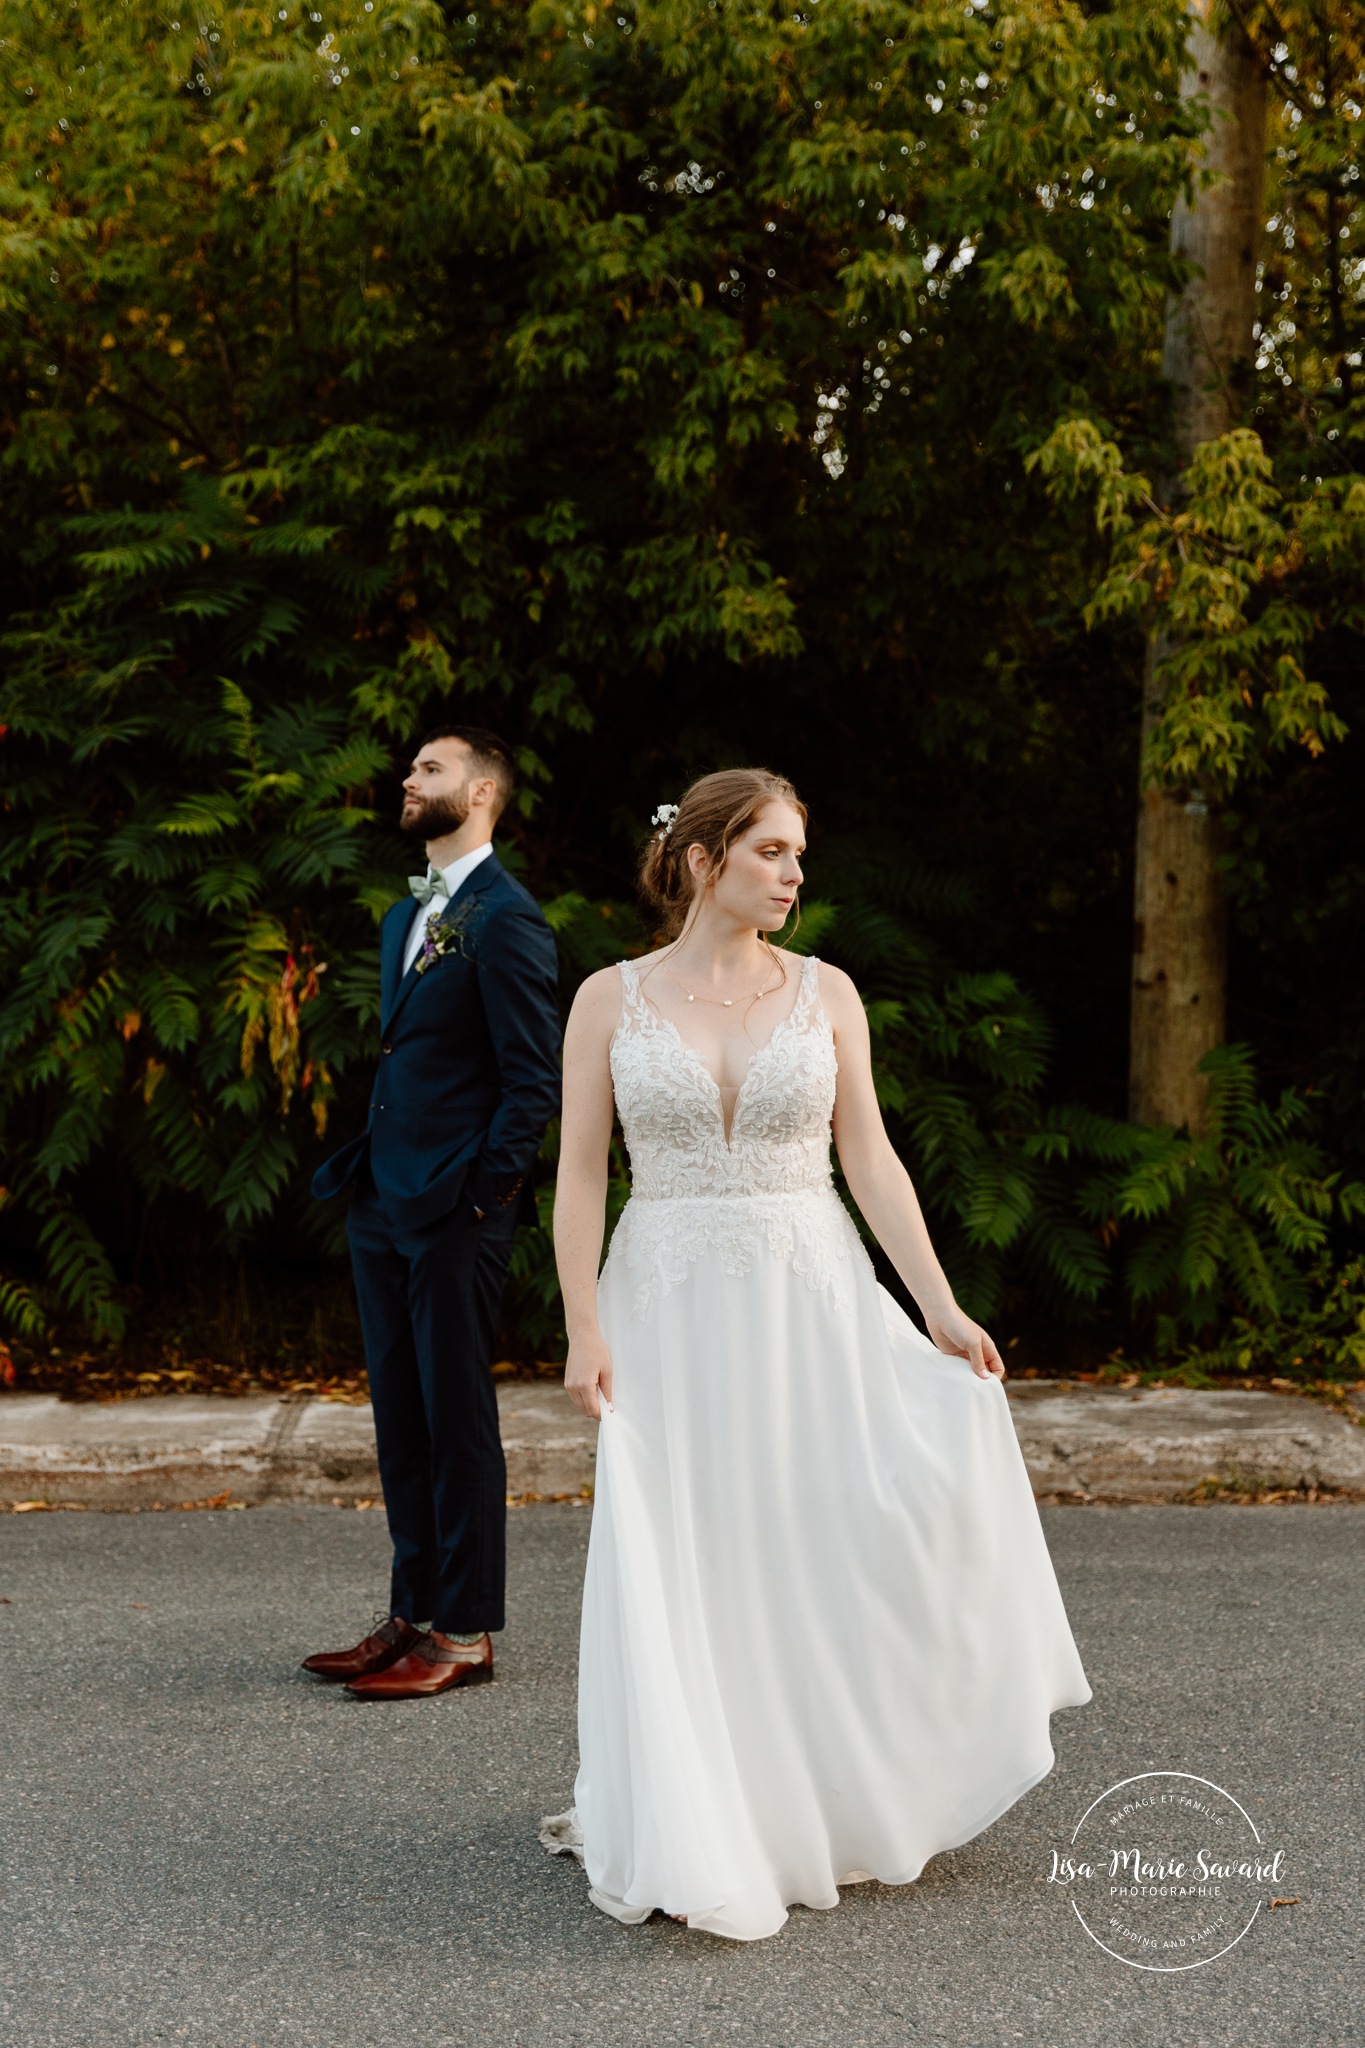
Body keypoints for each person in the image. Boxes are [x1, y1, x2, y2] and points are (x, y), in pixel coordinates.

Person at [540, 768, 1090, 1940]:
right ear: (704, 859)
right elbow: (580, 1170)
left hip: (811, 1292)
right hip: (668, 1300)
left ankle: (825, 1794)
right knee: (689, 1545)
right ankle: (701, 1808)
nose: (795, 874)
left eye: (799, 853)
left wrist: (938, 1303)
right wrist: (583, 1321)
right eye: (774, 852)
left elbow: (873, 1160)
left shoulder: (830, 992)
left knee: (819, 1525)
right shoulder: (609, 997)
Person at [304, 725, 560, 1699]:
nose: (407, 779)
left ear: (483, 791)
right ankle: (412, 1610)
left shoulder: (507, 918)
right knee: (400, 1416)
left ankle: (464, 1632)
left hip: (454, 1206)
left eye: (430, 768)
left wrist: (480, 1195)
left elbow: (532, 1084)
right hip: (382, 1196)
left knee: (457, 1420)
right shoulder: (404, 915)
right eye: (410, 766)